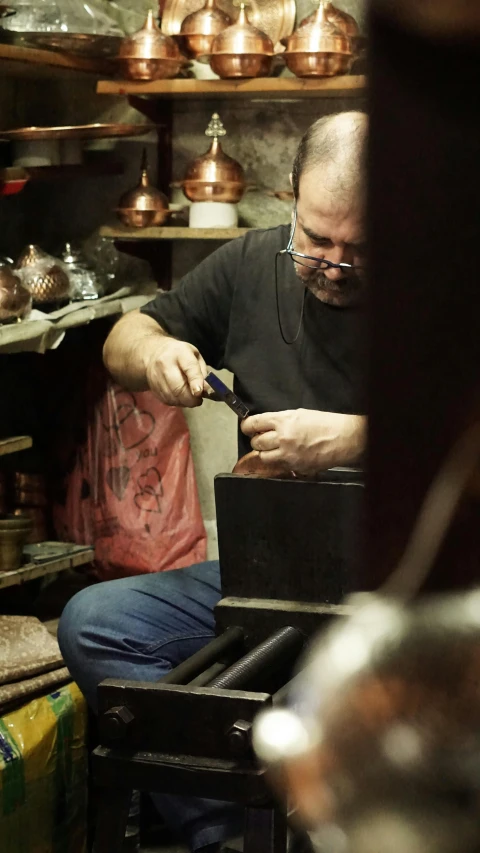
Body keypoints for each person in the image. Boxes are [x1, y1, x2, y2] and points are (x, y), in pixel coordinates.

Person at [58, 110, 368, 853]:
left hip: (398, 585)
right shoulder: (254, 263)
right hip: (265, 577)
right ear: (290, 195)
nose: (331, 266)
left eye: (359, 251)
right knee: (95, 621)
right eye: (316, 241)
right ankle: (225, 835)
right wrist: (157, 354)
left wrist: (354, 437)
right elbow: (126, 337)